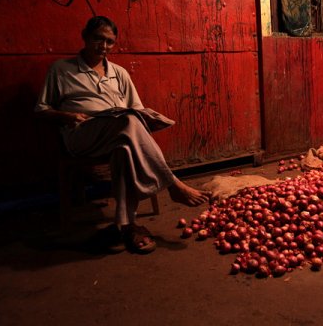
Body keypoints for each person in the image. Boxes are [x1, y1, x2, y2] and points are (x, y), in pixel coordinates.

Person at [35, 16, 211, 254]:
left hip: (117, 135)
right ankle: (173, 184)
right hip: (82, 136)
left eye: (110, 42)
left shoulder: (119, 73)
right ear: (85, 37)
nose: (104, 46)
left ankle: (124, 225)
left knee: (125, 147)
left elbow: (135, 110)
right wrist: (68, 116)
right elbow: (41, 110)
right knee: (127, 122)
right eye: (98, 39)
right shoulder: (61, 69)